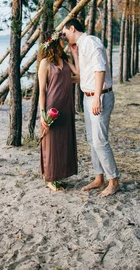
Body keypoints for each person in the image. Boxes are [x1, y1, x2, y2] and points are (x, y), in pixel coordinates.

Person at [62, 18, 120, 197]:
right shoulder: (81, 45)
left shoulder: (91, 42)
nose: (64, 37)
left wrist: (97, 98)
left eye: (65, 33)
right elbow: (81, 74)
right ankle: (99, 178)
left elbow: (99, 69)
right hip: (90, 97)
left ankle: (114, 181)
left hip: (99, 96)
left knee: (100, 140)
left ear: (72, 29)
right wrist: (73, 54)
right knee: (91, 139)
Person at [38, 30, 79, 192]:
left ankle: (60, 174)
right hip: (52, 106)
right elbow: (42, 90)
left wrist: (74, 54)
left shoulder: (65, 60)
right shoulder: (45, 63)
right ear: (54, 42)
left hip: (66, 105)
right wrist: (42, 114)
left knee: (63, 141)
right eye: (62, 39)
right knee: (51, 142)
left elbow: (78, 74)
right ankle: (50, 178)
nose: (65, 41)